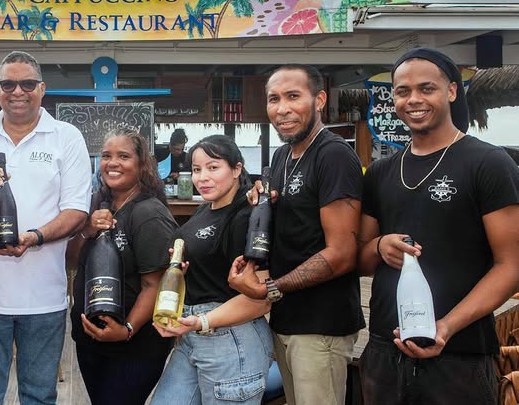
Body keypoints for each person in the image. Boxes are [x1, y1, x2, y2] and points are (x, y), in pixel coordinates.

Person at [357, 48, 519, 405]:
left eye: (426, 88)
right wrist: (379, 245)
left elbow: (511, 266)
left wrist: (446, 325)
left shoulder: (489, 163)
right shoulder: (381, 172)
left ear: (451, 91)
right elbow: (361, 259)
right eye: (403, 91)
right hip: (385, 351)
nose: (413, 99)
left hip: (459, 356)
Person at [0, 50, 92, 405]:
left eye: (27, 84)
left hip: (44, 298)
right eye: (9, 84)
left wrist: (34, 237)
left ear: (42, 89)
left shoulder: (66, 136)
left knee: (39, 396)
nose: (18, 92)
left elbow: (77, 211)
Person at [229, 64, 364, 405]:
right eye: (274, 99)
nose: (282, 109)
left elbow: (342, 254)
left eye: (293, 96)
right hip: (286, 319)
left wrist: (270, 288)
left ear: (319, 100)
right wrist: (260, 205)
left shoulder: (333, 155)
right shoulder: (281, 156)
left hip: (321, 325)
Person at [151, 134, 273, 405]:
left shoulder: (247, 216)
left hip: (232, 341)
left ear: (237, 169)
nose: (202, 177)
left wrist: (202, 321)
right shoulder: (206, 209)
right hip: (193, 335)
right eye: (196, 169)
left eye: (213, 167)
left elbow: (261, 298)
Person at [67, 129, 177, 405]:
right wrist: (87, 230)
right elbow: (71, 260)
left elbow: (155, 285)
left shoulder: (149, 213)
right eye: (106, 156)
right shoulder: (95, 203)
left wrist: (127, 329)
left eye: (123, 156)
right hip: (90, 338)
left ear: (142, 164)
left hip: (134, 343)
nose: (112, 163)